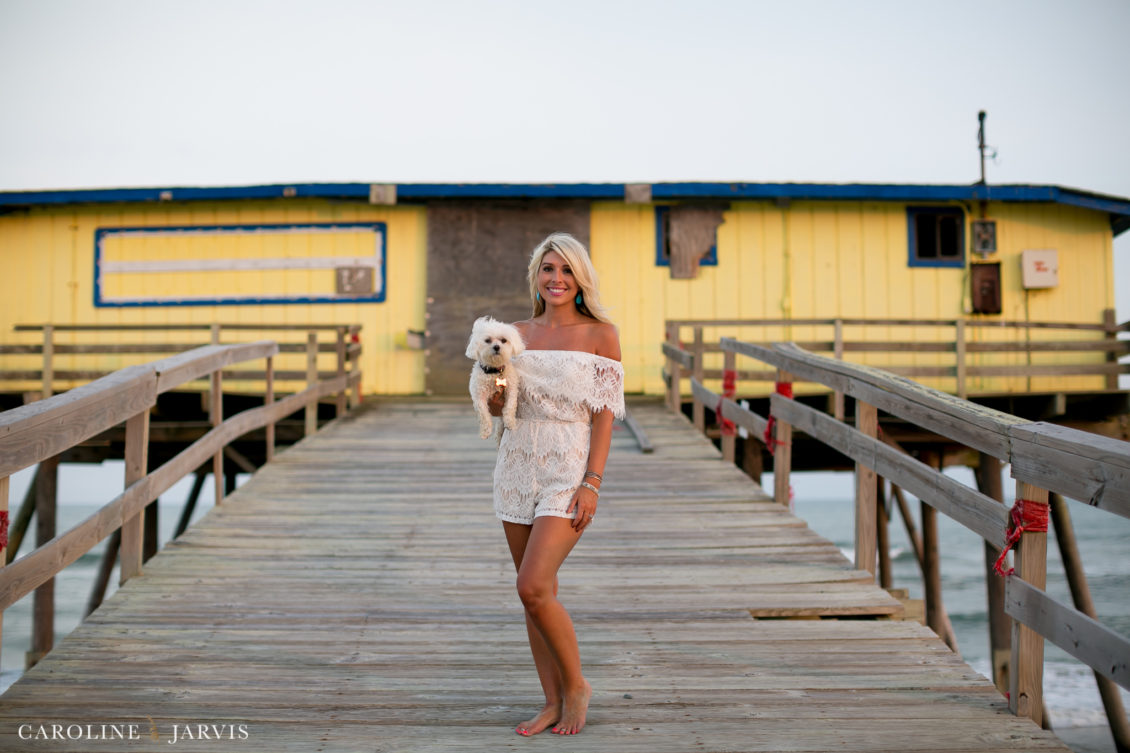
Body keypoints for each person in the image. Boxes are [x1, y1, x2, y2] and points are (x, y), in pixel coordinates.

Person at [487, 232, 624, 736]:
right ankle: (551, 701)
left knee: (532, 584)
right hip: (517, 462)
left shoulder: (600, 335)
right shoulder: (514, 333)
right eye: (548, 269)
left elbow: (605, 417)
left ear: (580, 278)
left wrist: (592, 482)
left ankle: (577, 686)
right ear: (536, 277)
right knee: (536, 595)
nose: (557, 280)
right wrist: (495, 380)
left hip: (569, 467)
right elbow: (503, 410)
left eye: (566, 271)